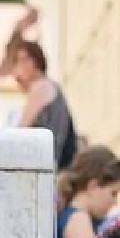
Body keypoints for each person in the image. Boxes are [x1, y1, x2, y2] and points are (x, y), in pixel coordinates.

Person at [11, 40, 78, 170]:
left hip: (48, 162)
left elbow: (20, 131)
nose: (22, 66)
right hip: (54, 161)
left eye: (26, 59)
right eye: (18, 61)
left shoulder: (41, 86)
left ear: (37, 60)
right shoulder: (49, 86)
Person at [55, 147, 120, 238]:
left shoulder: (74, 216)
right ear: (93, 186)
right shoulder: (78, 220)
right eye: (113, 193)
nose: (115, 202)